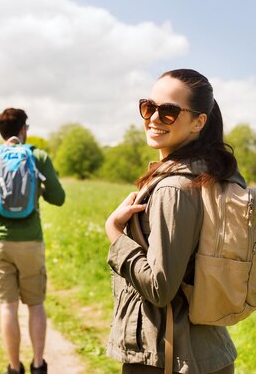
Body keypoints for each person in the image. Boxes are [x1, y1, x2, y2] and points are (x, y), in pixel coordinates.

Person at [104, 69, 244, 373]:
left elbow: (160, 287)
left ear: (198, 121)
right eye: (148, 107)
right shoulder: (210, 174)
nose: (154, 118)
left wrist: (115, 233)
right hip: (207, 350)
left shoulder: (174, 188)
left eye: (168, 112)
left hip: (168, 357)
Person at [0, 108, 65, 374]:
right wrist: (38, 190)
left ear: (1, 132)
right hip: (31, 242)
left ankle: (13, 367)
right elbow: (58, 197)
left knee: (8, 306)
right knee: (36, 305)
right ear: (23, 129)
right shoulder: (38, 156)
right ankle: (39, 365)